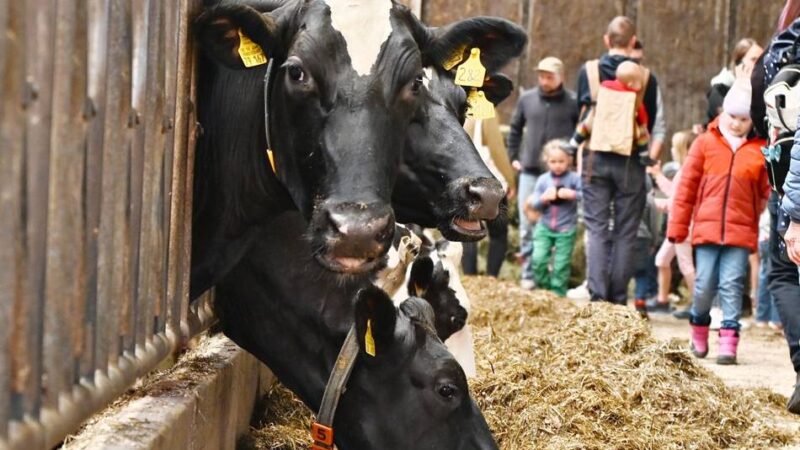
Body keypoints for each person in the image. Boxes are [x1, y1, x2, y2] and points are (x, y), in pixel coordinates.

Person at [667, 78, 770, 365]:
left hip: (741, 231)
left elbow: (766, 192)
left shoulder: (759, 150)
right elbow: (686, 188)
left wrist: (761, 217)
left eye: (744, 119)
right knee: (703, 285)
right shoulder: (705, 143)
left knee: (732, 285)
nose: (737, 124)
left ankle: (729, 341)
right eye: (732, 116)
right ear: (723, 113)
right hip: (707, 228)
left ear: (752, 120)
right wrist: (678, 226)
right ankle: (699, 329)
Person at [575, 16, 662, 304]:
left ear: (606, 40)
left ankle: (598, 296)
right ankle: (618, 298)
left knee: (597, 229)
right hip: (631, 163)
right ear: (633, 42)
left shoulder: (588, 72)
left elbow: (581, 116)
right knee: (626, 231)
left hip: (594, 159)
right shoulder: (646, 78)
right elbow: (650, 122)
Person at [507, 56, 579, 289]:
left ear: (561, 77)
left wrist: (574, 163)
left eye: (549, 77)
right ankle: (529, 274)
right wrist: (513, 157)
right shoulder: (527, 99)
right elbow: (515, 129)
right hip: (530, 170)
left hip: (561, 174)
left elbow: (580, 135)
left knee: (561, 226)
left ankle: (556, 279)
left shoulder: (573, 102)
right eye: (541, 76)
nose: (544, 81)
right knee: (528, 223)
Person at [524, 140, 581, 296]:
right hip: (544, 227)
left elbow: (585, 195)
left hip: (566, 229)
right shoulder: (543, 180)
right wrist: (544, 198)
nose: (557, 165)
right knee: (538, 260)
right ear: (546, 161)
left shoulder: (574, 179)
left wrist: (572, 194)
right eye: (553, 162)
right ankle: (544, 290)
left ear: (569, 160)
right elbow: (534, 203)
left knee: (561, 265)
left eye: (561, 161)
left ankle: (558, 294)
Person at [649, 131, 697, 314]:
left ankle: (698, 305)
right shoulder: (683, 172)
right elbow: (673, 192)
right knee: (662, 260)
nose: (671, 150)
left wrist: (652, 203)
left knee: (686, 266)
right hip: (676, 226)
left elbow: (675, 203)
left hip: (683, 227)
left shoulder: (687, 173)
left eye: (674, 148)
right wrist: (658, 175)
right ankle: (662, 300)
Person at [569, 60, 653, 166]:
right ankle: (644, 155)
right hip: (623, 128)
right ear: (631, 84)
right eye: (639, 82)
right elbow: (642, 115)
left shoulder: (605, 85)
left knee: (586, 125)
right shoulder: (633, 97)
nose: (641, 85)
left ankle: (573, 144)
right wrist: (644, 123)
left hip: (602, 121)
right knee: (641, 133)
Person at [462, 115, 515, 277]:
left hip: (468, 184)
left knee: (468, 233)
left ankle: (470, 277)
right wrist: (511, 181)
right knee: (498, 235)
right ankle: (491, 278)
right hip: (493, 183)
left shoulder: (460, 110)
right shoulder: (487, 111)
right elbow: (497, 151)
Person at [704, 38, 763, 128]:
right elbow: (731, 119)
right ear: (739, 63)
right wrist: (743, 85)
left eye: (762, 60)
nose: (760, 64)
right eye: (754, 59)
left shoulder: (762, 89)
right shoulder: (719, 89)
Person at [755, 208, 782, 329]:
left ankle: (762, 317)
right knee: (778, 274)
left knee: (765, 275)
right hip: (775, 235)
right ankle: (776, 319)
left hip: (763, 236)